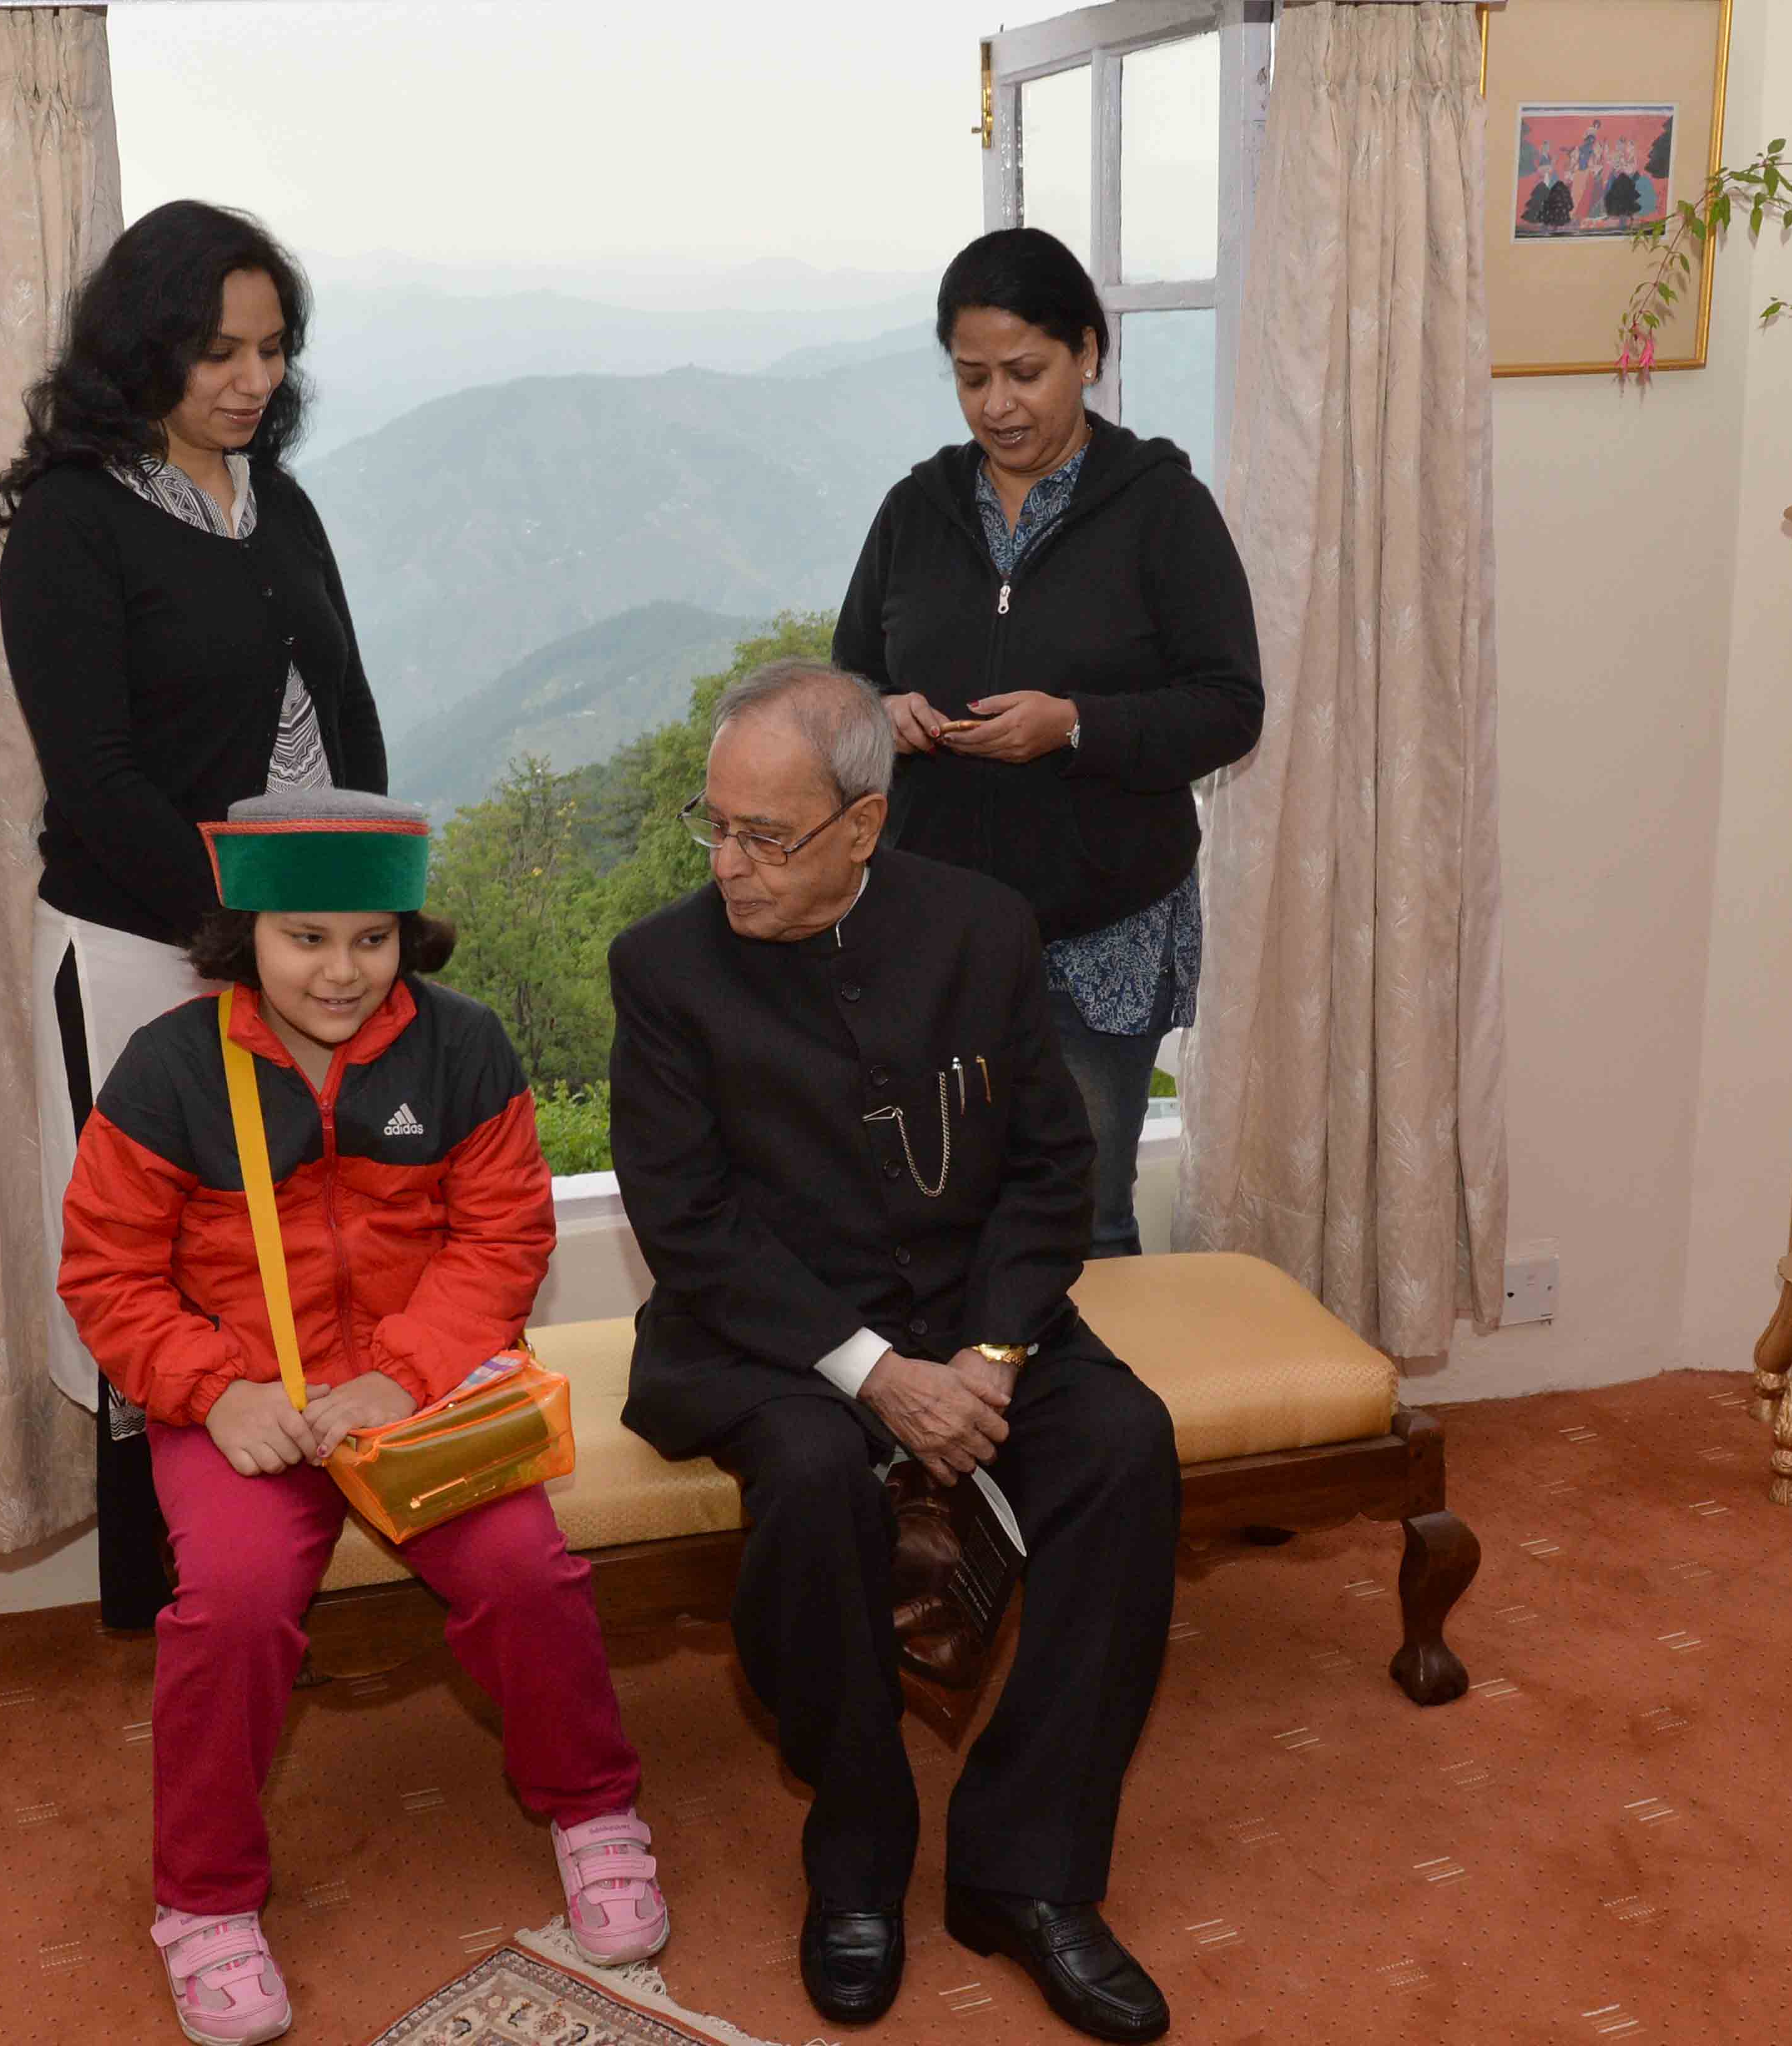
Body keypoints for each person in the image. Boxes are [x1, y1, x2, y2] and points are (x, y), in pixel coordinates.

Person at [607, 662, 1182, 2042]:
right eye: (716, 826)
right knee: (808, 1478)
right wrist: (872, 1369)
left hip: (980, 1313)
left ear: (863, 826)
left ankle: (1026, 1874)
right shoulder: (665, 966)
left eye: (767, 835)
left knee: (1121, 1443)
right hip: (772, 1329)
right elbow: (690, 1225)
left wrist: (989, 1350)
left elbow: (1053, 1163)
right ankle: (855, 1858)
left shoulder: (980, 926)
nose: (729, 864)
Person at [61, 790, 667, 2046]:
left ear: (407, 936)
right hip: (240, 1404)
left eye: (370, 938)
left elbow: (503, 1236)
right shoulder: (169, 1068)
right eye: (306, 936)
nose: (340, 969)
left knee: (524, 1567)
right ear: (248, 935)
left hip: (417, 1392)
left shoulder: (465, 1048)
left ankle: (594, 1812)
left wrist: (402, 1373)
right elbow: (107, 1275)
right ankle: (205, 1901)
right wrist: (214, 1391)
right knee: (227, 1601)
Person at [0, 200, 390, 1629]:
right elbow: (93, 779)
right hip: (136, 948)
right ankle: (163, 1590)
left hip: (295, 951)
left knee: (290, 1233)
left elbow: (344, 718)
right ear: (141, 346)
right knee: (157, 1254)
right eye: (216, 350)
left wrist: (352, 911)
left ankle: (285, 1549)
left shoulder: (279, 504)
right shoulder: (69, 523)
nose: (250, 379)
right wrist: (244, 934)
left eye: (271, 349)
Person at [835, 227, 1262, 1261]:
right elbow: (845, 675)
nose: (998, 405)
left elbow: (1229, 707)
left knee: (1081, 1218)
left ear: (1088, 353)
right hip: (931, 933)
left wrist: (1075, 725)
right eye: (971, 377)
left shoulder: (1163, 511)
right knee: (930, 1209)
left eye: (1025, 373)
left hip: (1100, 929)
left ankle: (1092, 1422)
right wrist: (880, 712)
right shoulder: (916, 511)